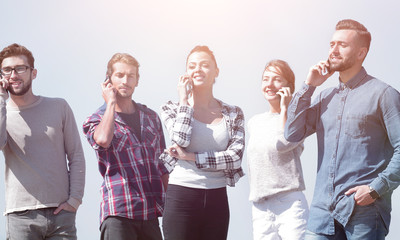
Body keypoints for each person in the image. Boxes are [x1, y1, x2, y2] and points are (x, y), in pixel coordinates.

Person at [285, 19, 400, 239]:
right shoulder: (324, 97)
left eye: (342, 45)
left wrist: (375, 188)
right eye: (332, 44)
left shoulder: (384, 94)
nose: (334, 50)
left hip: (365, 213)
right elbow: (292, 133)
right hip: (322, 213)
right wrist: (309, 85)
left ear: (361, 53)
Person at [0, 43, 85, 239]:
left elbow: (76, 155)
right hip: (20, 217)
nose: (13, 74)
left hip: (61, 216)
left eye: (20, 68)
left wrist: (75, 200)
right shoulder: (3, 112)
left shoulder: (59, 106)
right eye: (7, 70)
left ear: (33, 73)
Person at [159, 45, 245, 240]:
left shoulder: (233, 113)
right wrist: (183, 100)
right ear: (186, 73)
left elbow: (234, 159)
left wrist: (190, 156)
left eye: (205, 65)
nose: (198, 70)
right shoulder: (171, 108)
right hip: (181, 195)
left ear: (216, 72)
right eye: (192, 66)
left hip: (217, 198)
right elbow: (180, 138)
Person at [83, 53, 169, 240]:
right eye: (120, 75)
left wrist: (171, 207)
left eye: (131, 76)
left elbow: (162, 165)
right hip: (118, 211)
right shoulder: (96, 119)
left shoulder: (151, 117)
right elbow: (103, 140)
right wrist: (111, 103)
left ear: (137, 80)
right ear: (109, 80)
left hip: (150, 212)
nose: (125, 80)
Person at [247, 59, 309, 240]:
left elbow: (285, 141)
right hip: (260, 207)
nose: (270, 84)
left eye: (277, 79)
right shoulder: (254, 122)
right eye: (266, 79)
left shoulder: (297, 119)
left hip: (288, 203)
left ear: (288, 86)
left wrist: (284, 108)